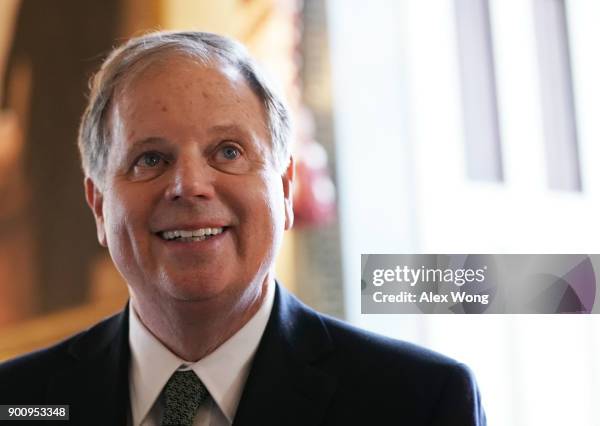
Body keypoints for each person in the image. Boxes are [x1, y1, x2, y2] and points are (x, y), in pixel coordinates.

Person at [0, 31, 486, 425]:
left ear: (286, 186)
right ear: (99, 205)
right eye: (151, 159)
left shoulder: (418, 403)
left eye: (228, 152)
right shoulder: (19, 403)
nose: (189, 186)